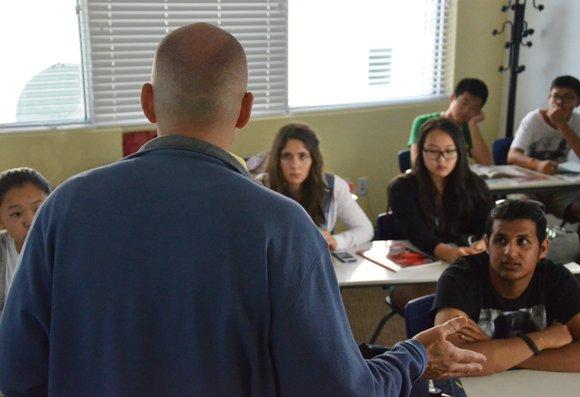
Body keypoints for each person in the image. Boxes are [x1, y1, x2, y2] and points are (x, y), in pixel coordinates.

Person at [0, 23, 486, 396]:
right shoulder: (281, 226)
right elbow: (335, 388)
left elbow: (17, 370)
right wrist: (410, 358)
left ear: (148, 102)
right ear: (245, 109)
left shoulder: (65, 208)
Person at [433, 199, 580, 374]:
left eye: (523, 242)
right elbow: (450, 357)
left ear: (542, 248)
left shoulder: (556, 279)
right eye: (501, 240)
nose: (510, 252)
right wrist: (542, 340)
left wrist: (496, 352)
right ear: (487, 244)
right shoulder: (460, 276)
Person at [388, 118, 493, 308]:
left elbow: (489, 225)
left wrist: (482, 244)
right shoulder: (402, 187)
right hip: (412, 272)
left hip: (465, 265)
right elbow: (416, 232)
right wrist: (449, 253)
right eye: (433, 151)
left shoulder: (475, 185)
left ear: (460, 152)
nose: (441, 159)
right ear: (421, 151)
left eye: (449, 151)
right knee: (443, 303)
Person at [507, 75, 580, 295]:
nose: (560, 102)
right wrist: (536, 164)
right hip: (527, 184)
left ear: (578, 102)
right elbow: (512, 155)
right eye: (556, 96)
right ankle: (530, 270)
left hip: (558, 185)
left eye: (568, 98)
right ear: (549, 97)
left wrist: (562, 125)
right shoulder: (533, 119)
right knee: (528, 213)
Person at [261, 123, 373, 251]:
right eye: (287, 156)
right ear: (277, 159)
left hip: (316, 261)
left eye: (302, 156)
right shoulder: (260, 186)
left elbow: (365, 229)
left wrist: (337, 241)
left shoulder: (334, 186)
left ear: (313, 159)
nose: (295, 165)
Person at [408, 78, 493, 165]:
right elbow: (416, 162)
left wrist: (473, 124)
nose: (466, 110)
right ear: (453, 98)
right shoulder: (423, 122)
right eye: (464, 103)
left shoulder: (467, 128)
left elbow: (486, 162)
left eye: (474, 108)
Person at [0, 167, 51, 312]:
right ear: (1, 221)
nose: (30, 221)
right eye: (16, 214)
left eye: (38, 208)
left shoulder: (66, 247)